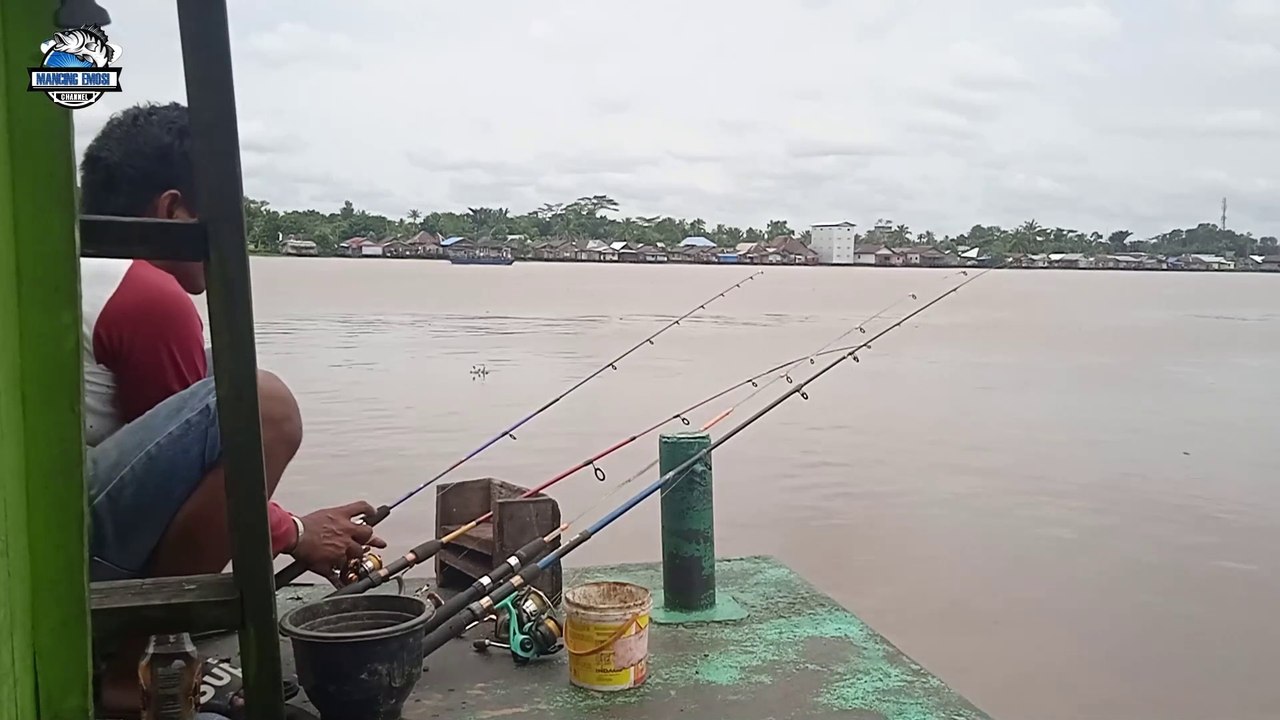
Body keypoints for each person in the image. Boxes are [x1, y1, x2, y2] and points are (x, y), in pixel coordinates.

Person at [80, 101, 385, 713]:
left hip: (67, 525)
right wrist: (296, 532)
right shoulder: (145, 297)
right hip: (74, 549)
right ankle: (135, 664)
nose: (234, 236)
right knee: (263, 405)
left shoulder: (85, 269)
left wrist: (289, 528)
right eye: (225, 214)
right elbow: (192, 470)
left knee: (224, 372)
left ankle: (152, 641)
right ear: (173, 212)